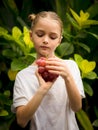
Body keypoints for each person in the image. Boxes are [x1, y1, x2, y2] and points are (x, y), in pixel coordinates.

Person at [11, 11, 85, 130]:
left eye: (52, 37)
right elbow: (21, 121)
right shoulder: (23, 76)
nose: (45, 40)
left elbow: (76, 107)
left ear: (59, 40)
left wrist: (68, 77)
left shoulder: (70, 67)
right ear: (31, 36)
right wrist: (42, 89)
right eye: (40, 34)